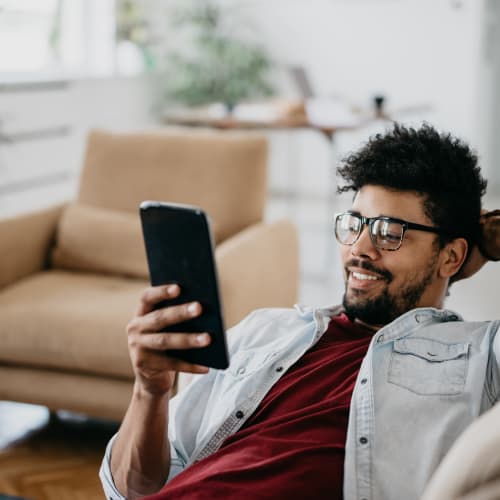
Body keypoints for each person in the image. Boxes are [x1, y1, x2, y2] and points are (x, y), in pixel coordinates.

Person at [100, 124, 500, 500]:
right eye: (355, 224)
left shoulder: (481, 356)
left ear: (452, 256)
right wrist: (149, 391)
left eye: (388, 232)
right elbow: (133, 490)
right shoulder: (266, 330)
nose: (360, 248)